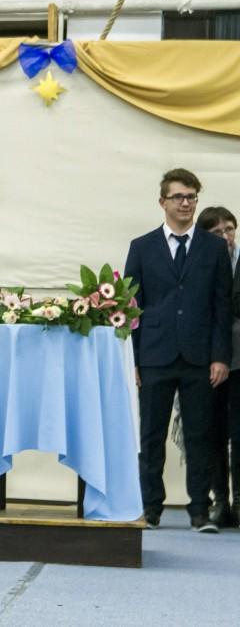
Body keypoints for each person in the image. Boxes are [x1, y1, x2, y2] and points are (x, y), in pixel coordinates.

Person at [125, 168, 232, 533]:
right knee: (151, 435)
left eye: (191, 197)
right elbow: (132, 307)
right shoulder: (142, 247)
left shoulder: (213, 248)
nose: (186, 203)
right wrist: (133, 358)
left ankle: (199, 510)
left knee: (199, 435)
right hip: (154, 354)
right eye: (179, 197)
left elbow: (222, 306)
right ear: (163, 202)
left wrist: (220, 356)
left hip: (200, 356)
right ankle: (150, 506)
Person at [197, 206, 240, 527]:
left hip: (239, 358)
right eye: (217, 232)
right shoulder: (200, 263)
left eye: (230, 229)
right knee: (212, 432)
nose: (226, 236)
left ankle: (239, 501)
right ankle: (220, 501)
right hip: (207, 358)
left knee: (239, 433)